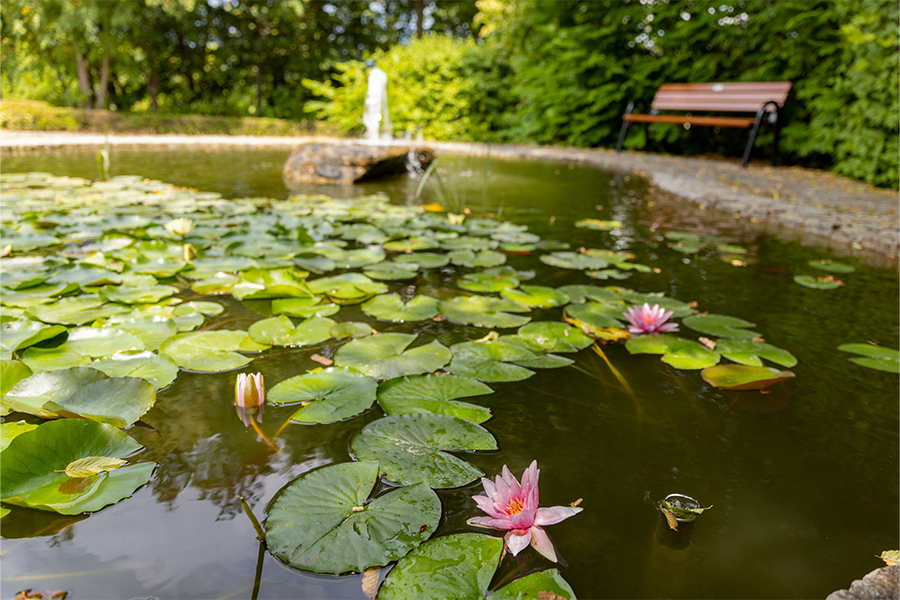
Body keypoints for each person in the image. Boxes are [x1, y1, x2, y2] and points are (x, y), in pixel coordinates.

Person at [363, 60, 392, 142]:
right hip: (377, 101)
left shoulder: (373, 74)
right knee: (376, 115)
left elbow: (370, 91)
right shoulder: (381, 73)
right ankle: (375, 135)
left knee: (372, 116)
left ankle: (373, 136)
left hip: (373, 101)